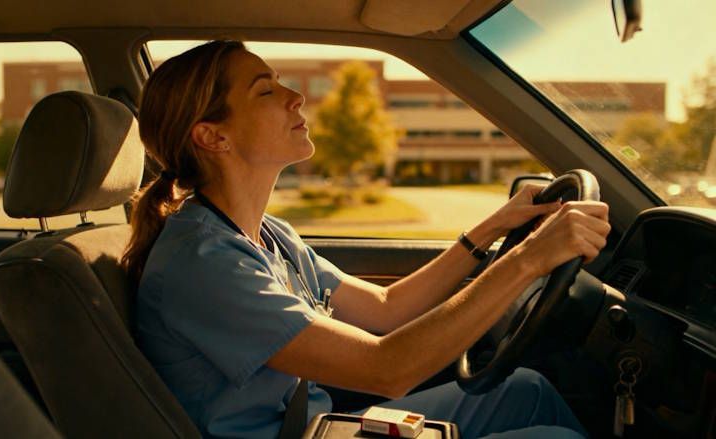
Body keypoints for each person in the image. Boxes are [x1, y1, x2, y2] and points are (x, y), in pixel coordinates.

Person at [123, 40, 610, 439]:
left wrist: (496, 227)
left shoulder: (266, 234)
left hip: (320, 426)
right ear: (213, 137)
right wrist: (527, 259)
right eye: (265, 91)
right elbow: (386, 369)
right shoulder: (203, 262)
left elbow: (384, 307)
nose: (296, 96)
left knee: (526, 391)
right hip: (304, 433)